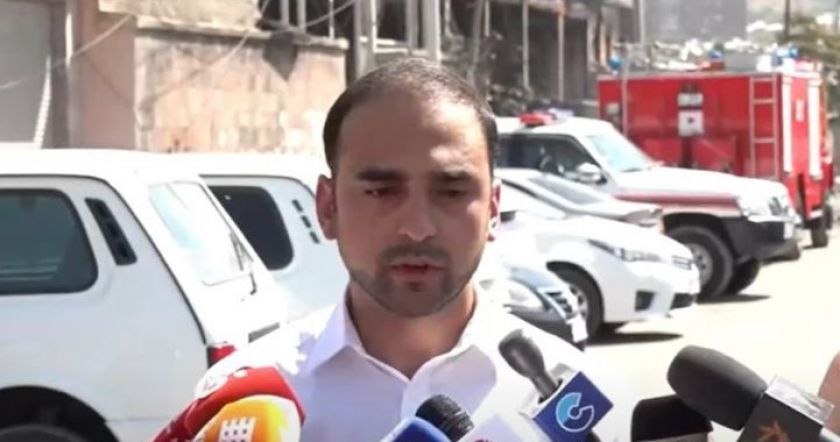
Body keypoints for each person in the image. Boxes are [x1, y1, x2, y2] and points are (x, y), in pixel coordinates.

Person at [194, 57, 632, 441]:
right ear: (327, 208)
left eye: (452, 192)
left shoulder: (585, 409)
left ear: (493, 209)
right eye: (382, 191)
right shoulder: (242, 406)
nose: (417, 229)